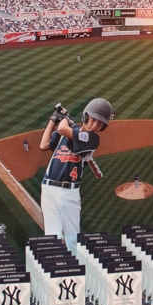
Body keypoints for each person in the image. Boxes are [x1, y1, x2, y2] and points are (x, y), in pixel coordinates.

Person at [38, 98, 115, 251]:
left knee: (72, 239)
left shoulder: (92, 139)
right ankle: (56, 264)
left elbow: (63, 129)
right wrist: (53, 120)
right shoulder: (70, 130)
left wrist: (65, 119)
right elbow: (43, 145)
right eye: (93, 120)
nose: (95, 125)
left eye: (100, 123)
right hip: (48, 188)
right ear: (85, 116)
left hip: (69, 193)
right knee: (51, 237)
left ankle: (75, 264)